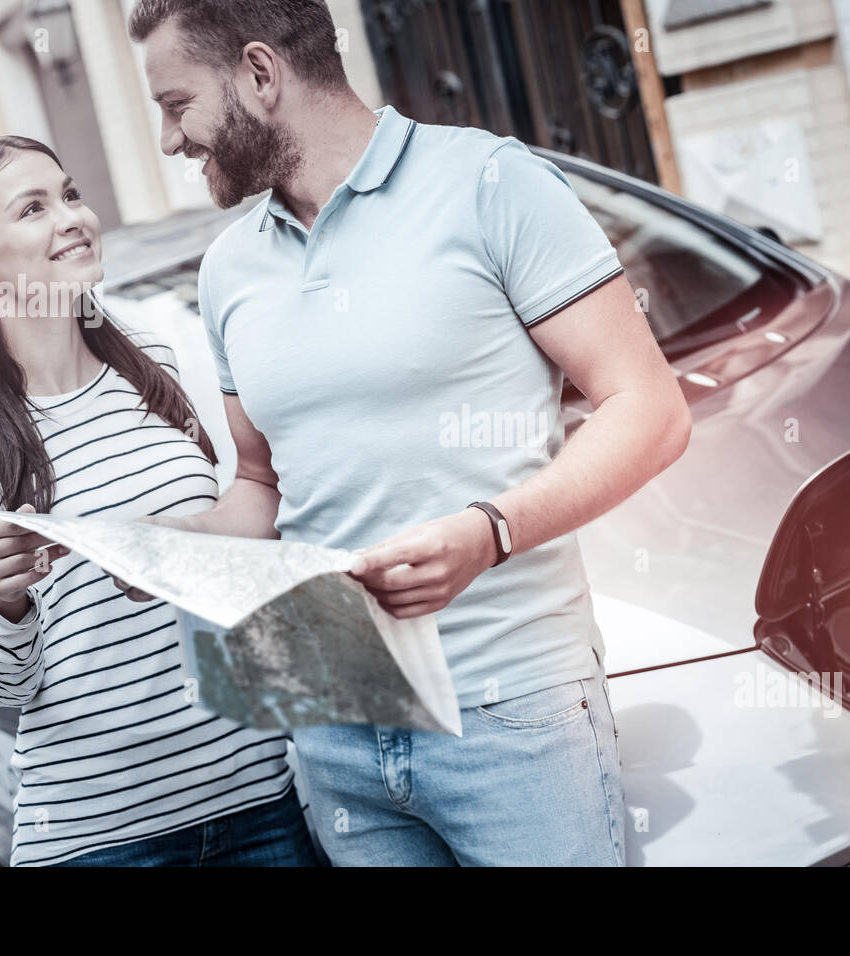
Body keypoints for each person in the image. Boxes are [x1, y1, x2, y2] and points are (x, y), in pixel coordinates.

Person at [125, 0, 692, 865]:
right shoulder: (228, 268)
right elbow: (261, 488)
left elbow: (650, 411)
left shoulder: (490, 184)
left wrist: (489, 533)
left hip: (511, 716)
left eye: (176, 105)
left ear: (260, 74)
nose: (171, 141)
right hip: (332, 721)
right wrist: (162, 547)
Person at [0, 135, 318, 867]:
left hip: (258, 802)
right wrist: (7, 600)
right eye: (33, 208)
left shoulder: (154, 360)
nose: (72, 218)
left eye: (71, 195)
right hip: (101, 841)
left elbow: (249, 524)